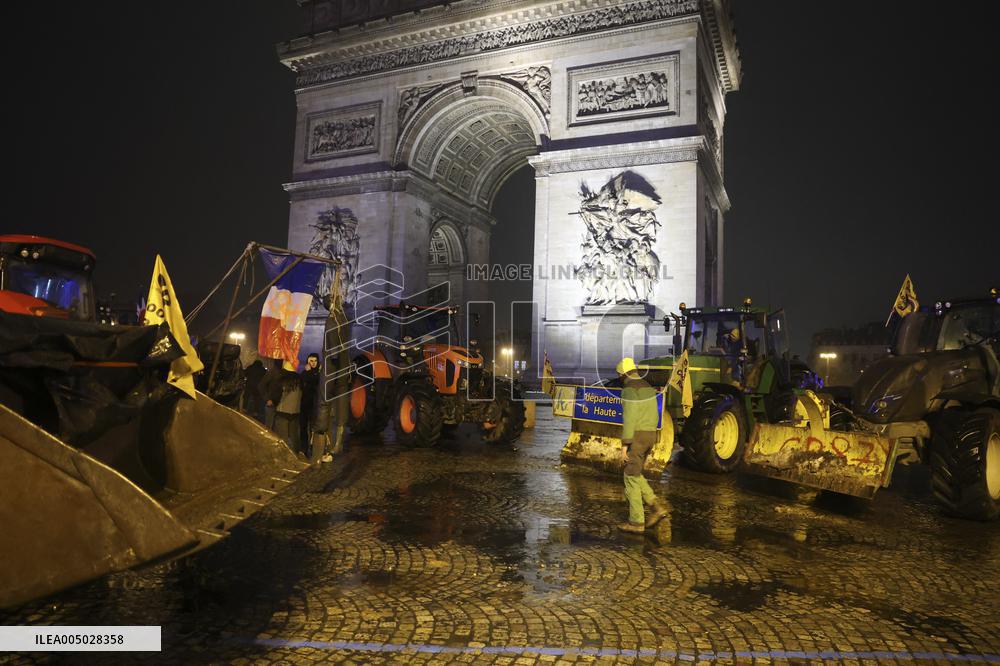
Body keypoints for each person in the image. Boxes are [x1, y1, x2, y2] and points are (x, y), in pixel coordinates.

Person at [616, 357, 668, 533]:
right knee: (636, 473)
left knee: (629, 476)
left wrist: (625, 446)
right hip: (650, 434)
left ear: (623, 375)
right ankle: (656, 507)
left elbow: (630, 418)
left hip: (637, 437)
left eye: (619, 375)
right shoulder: (647, 386)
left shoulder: (629, 390)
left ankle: (636, 522)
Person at [266, 362, 303, 455]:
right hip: (296, 413)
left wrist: (272, 401)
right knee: (295, 439)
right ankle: (295, 456)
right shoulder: (300, 381)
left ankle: (283, 456)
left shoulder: (282, 381)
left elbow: (276, 396)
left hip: (282, 412)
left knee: (282, 439)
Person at [299, 353, 320, 452]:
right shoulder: (304, 373)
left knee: (313, 428)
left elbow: (315, 381)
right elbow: (301, 384)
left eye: (315, 361)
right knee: (303, 428)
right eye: (311, 361)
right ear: (308, 362)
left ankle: (313, 448)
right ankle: (304, 449)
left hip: (315, 404)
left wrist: (309, 372)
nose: (313, 363)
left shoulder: (318, 373)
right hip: (304, 404)